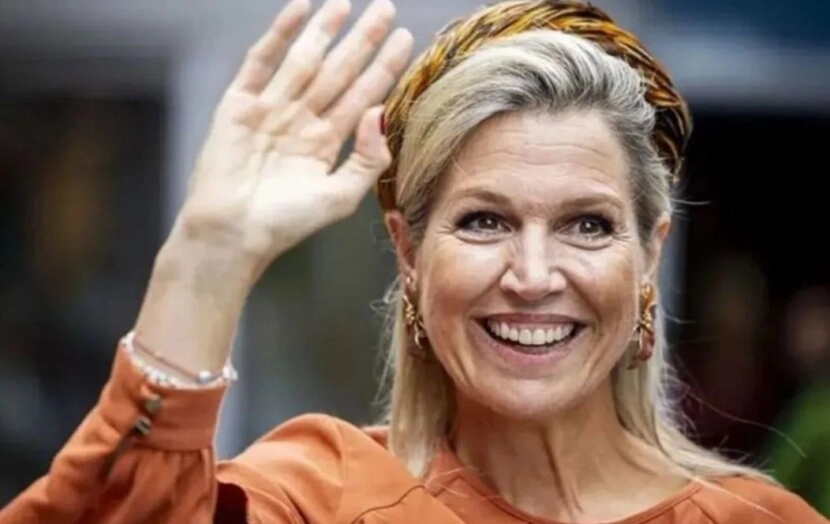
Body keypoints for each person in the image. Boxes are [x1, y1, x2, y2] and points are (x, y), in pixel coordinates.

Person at [0, 0, 826, 521]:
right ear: (408, 252)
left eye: (587, 225)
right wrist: (207, 255)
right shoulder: (316, 496)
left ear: (649, 254)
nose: (533, 276)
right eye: (484, 221)